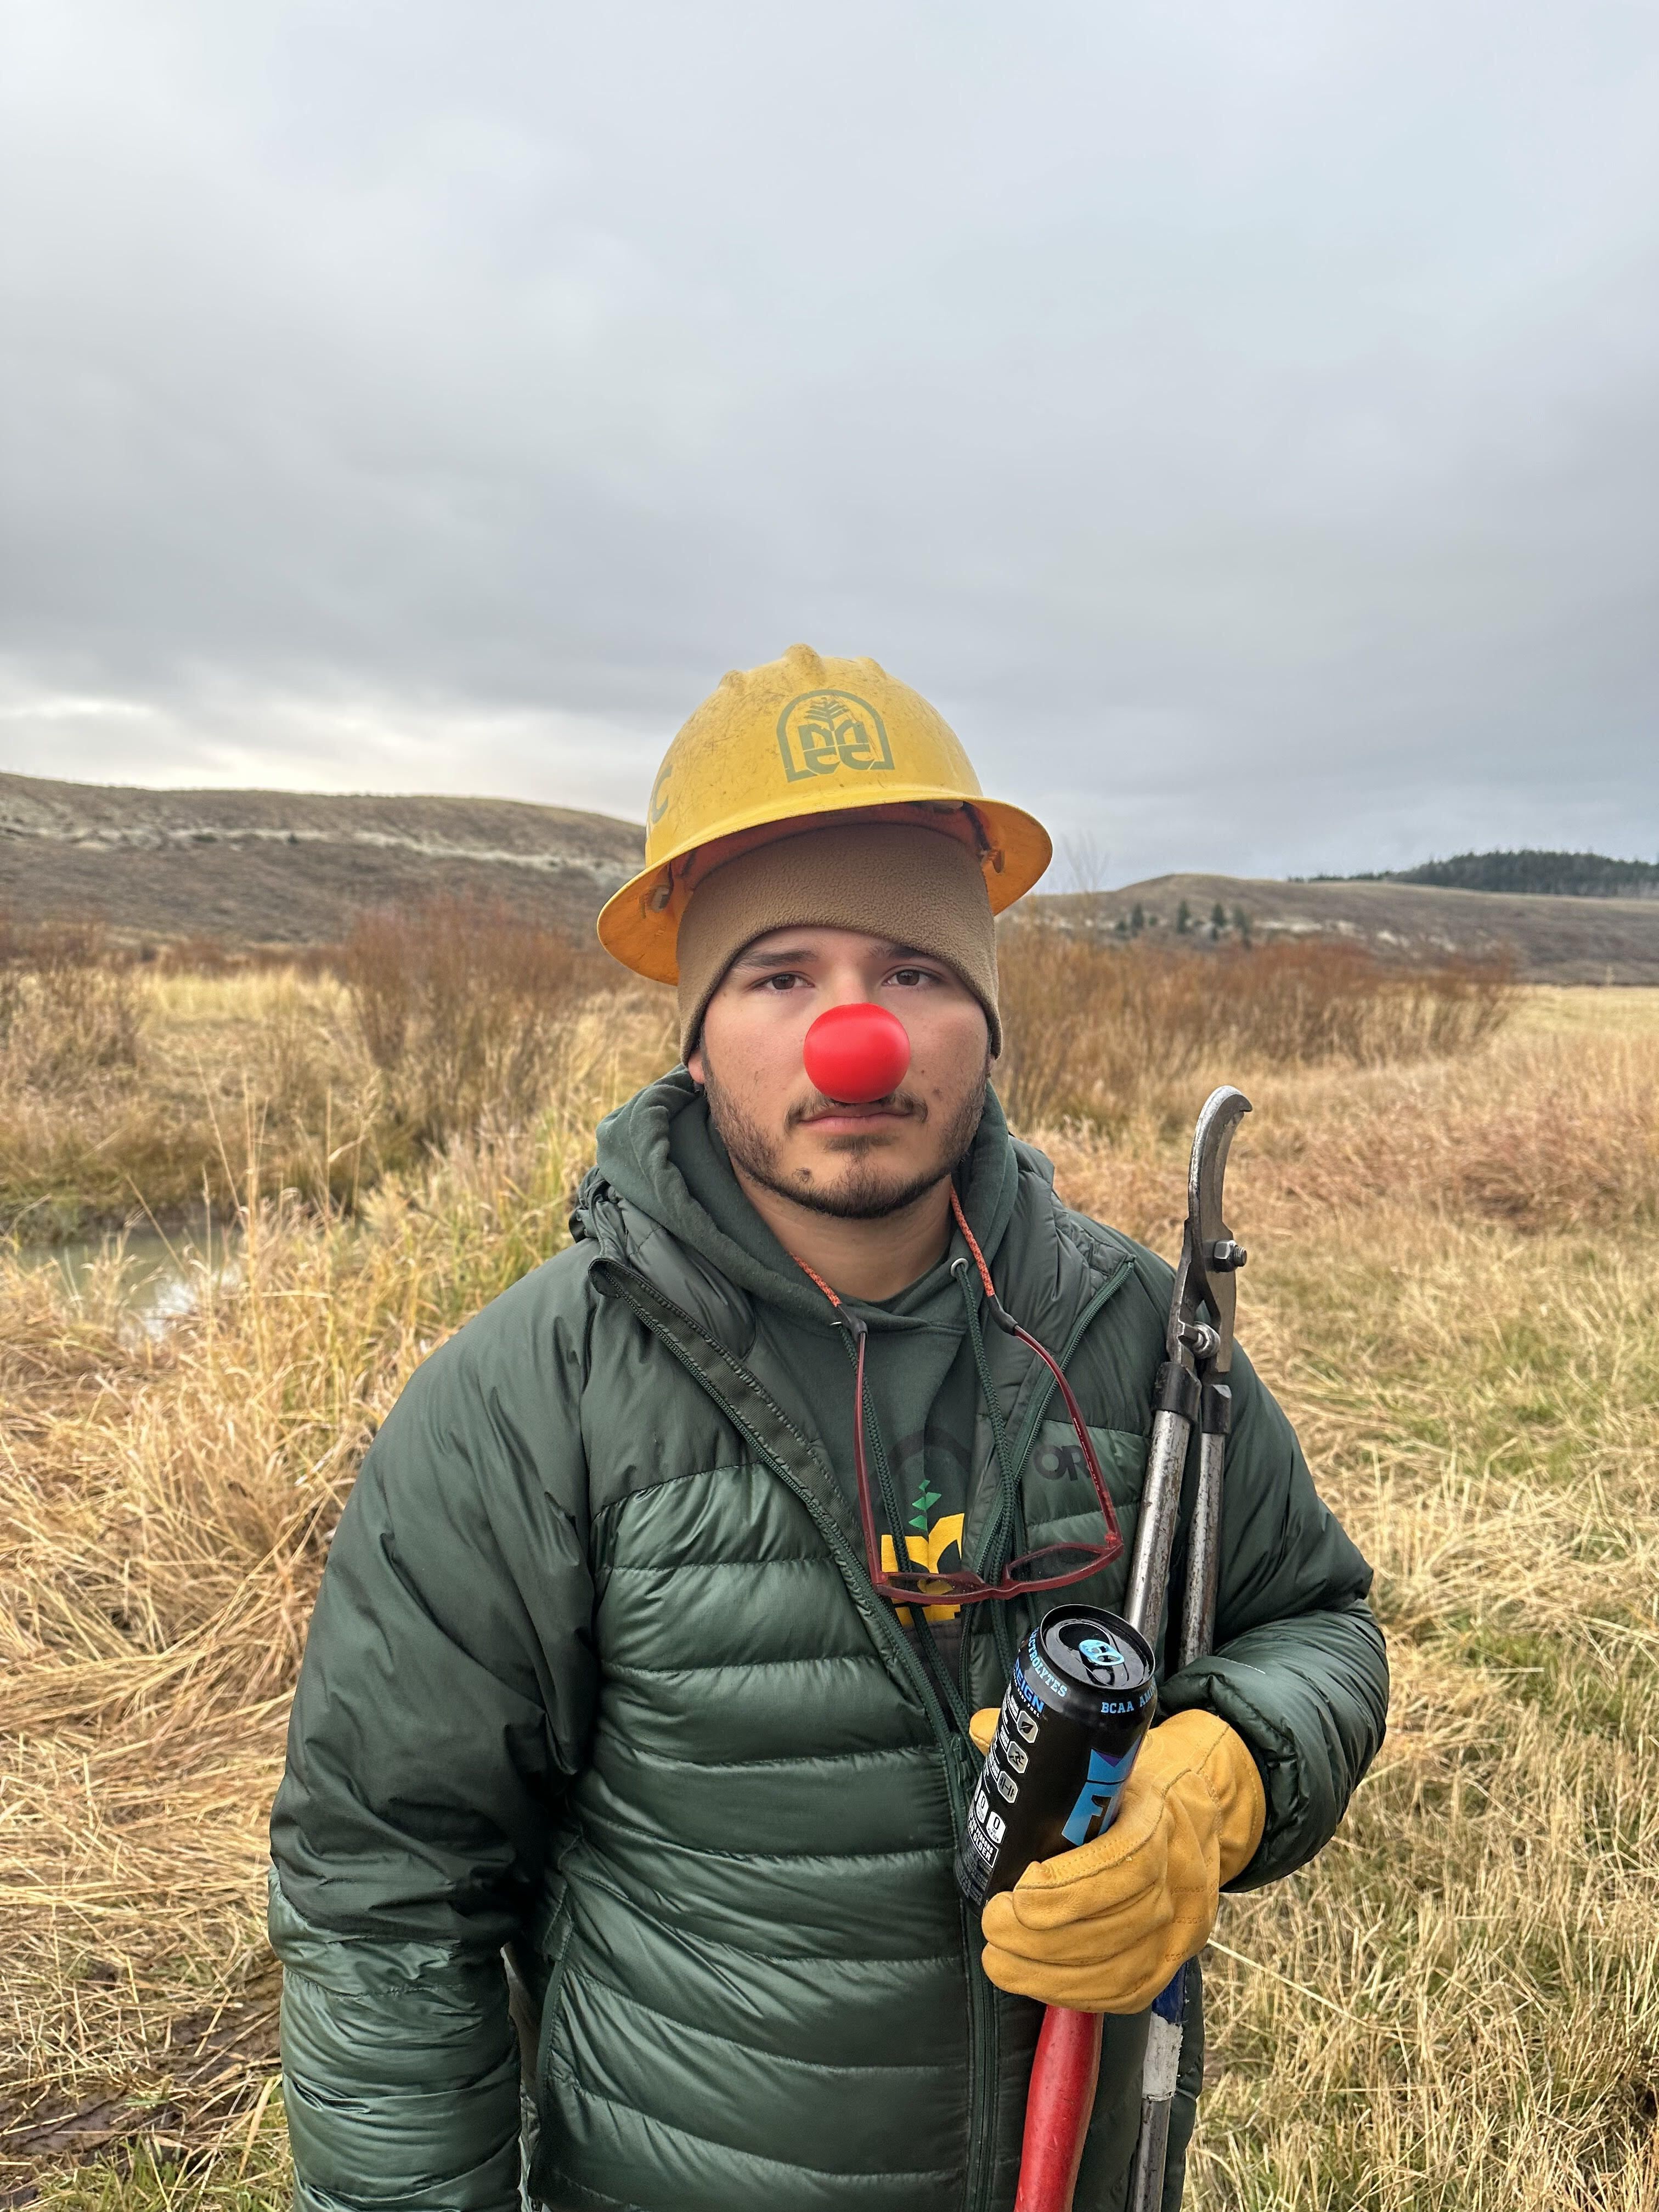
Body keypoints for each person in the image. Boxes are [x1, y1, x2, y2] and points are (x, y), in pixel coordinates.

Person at [269, 645, 1388, 2212]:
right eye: (781, 974)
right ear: (696, 1024)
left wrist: (1226, 1776)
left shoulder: (1142, 1338)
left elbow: (1317, 1628)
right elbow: (387, 1896)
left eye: (915, 972)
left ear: (986, 1018)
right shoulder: (528, 1400)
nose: (850, 1036)